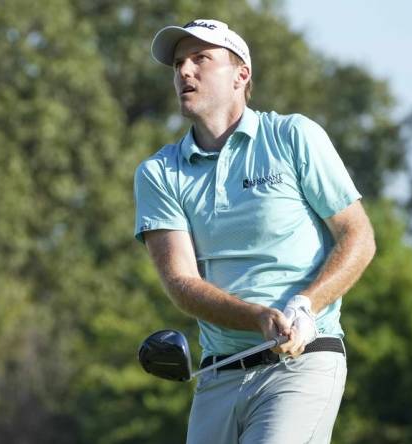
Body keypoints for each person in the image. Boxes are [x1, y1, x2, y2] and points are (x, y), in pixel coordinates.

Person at [134, 18, 376, 444]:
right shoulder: (159, 171)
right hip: (218, 374)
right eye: (177, 64)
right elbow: (181, 282)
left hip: (302, 364)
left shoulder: (292, 136)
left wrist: (306, 305)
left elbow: (358, 236)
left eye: (200, 59)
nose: (184, 72)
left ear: (241, 74)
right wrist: (257, 318)